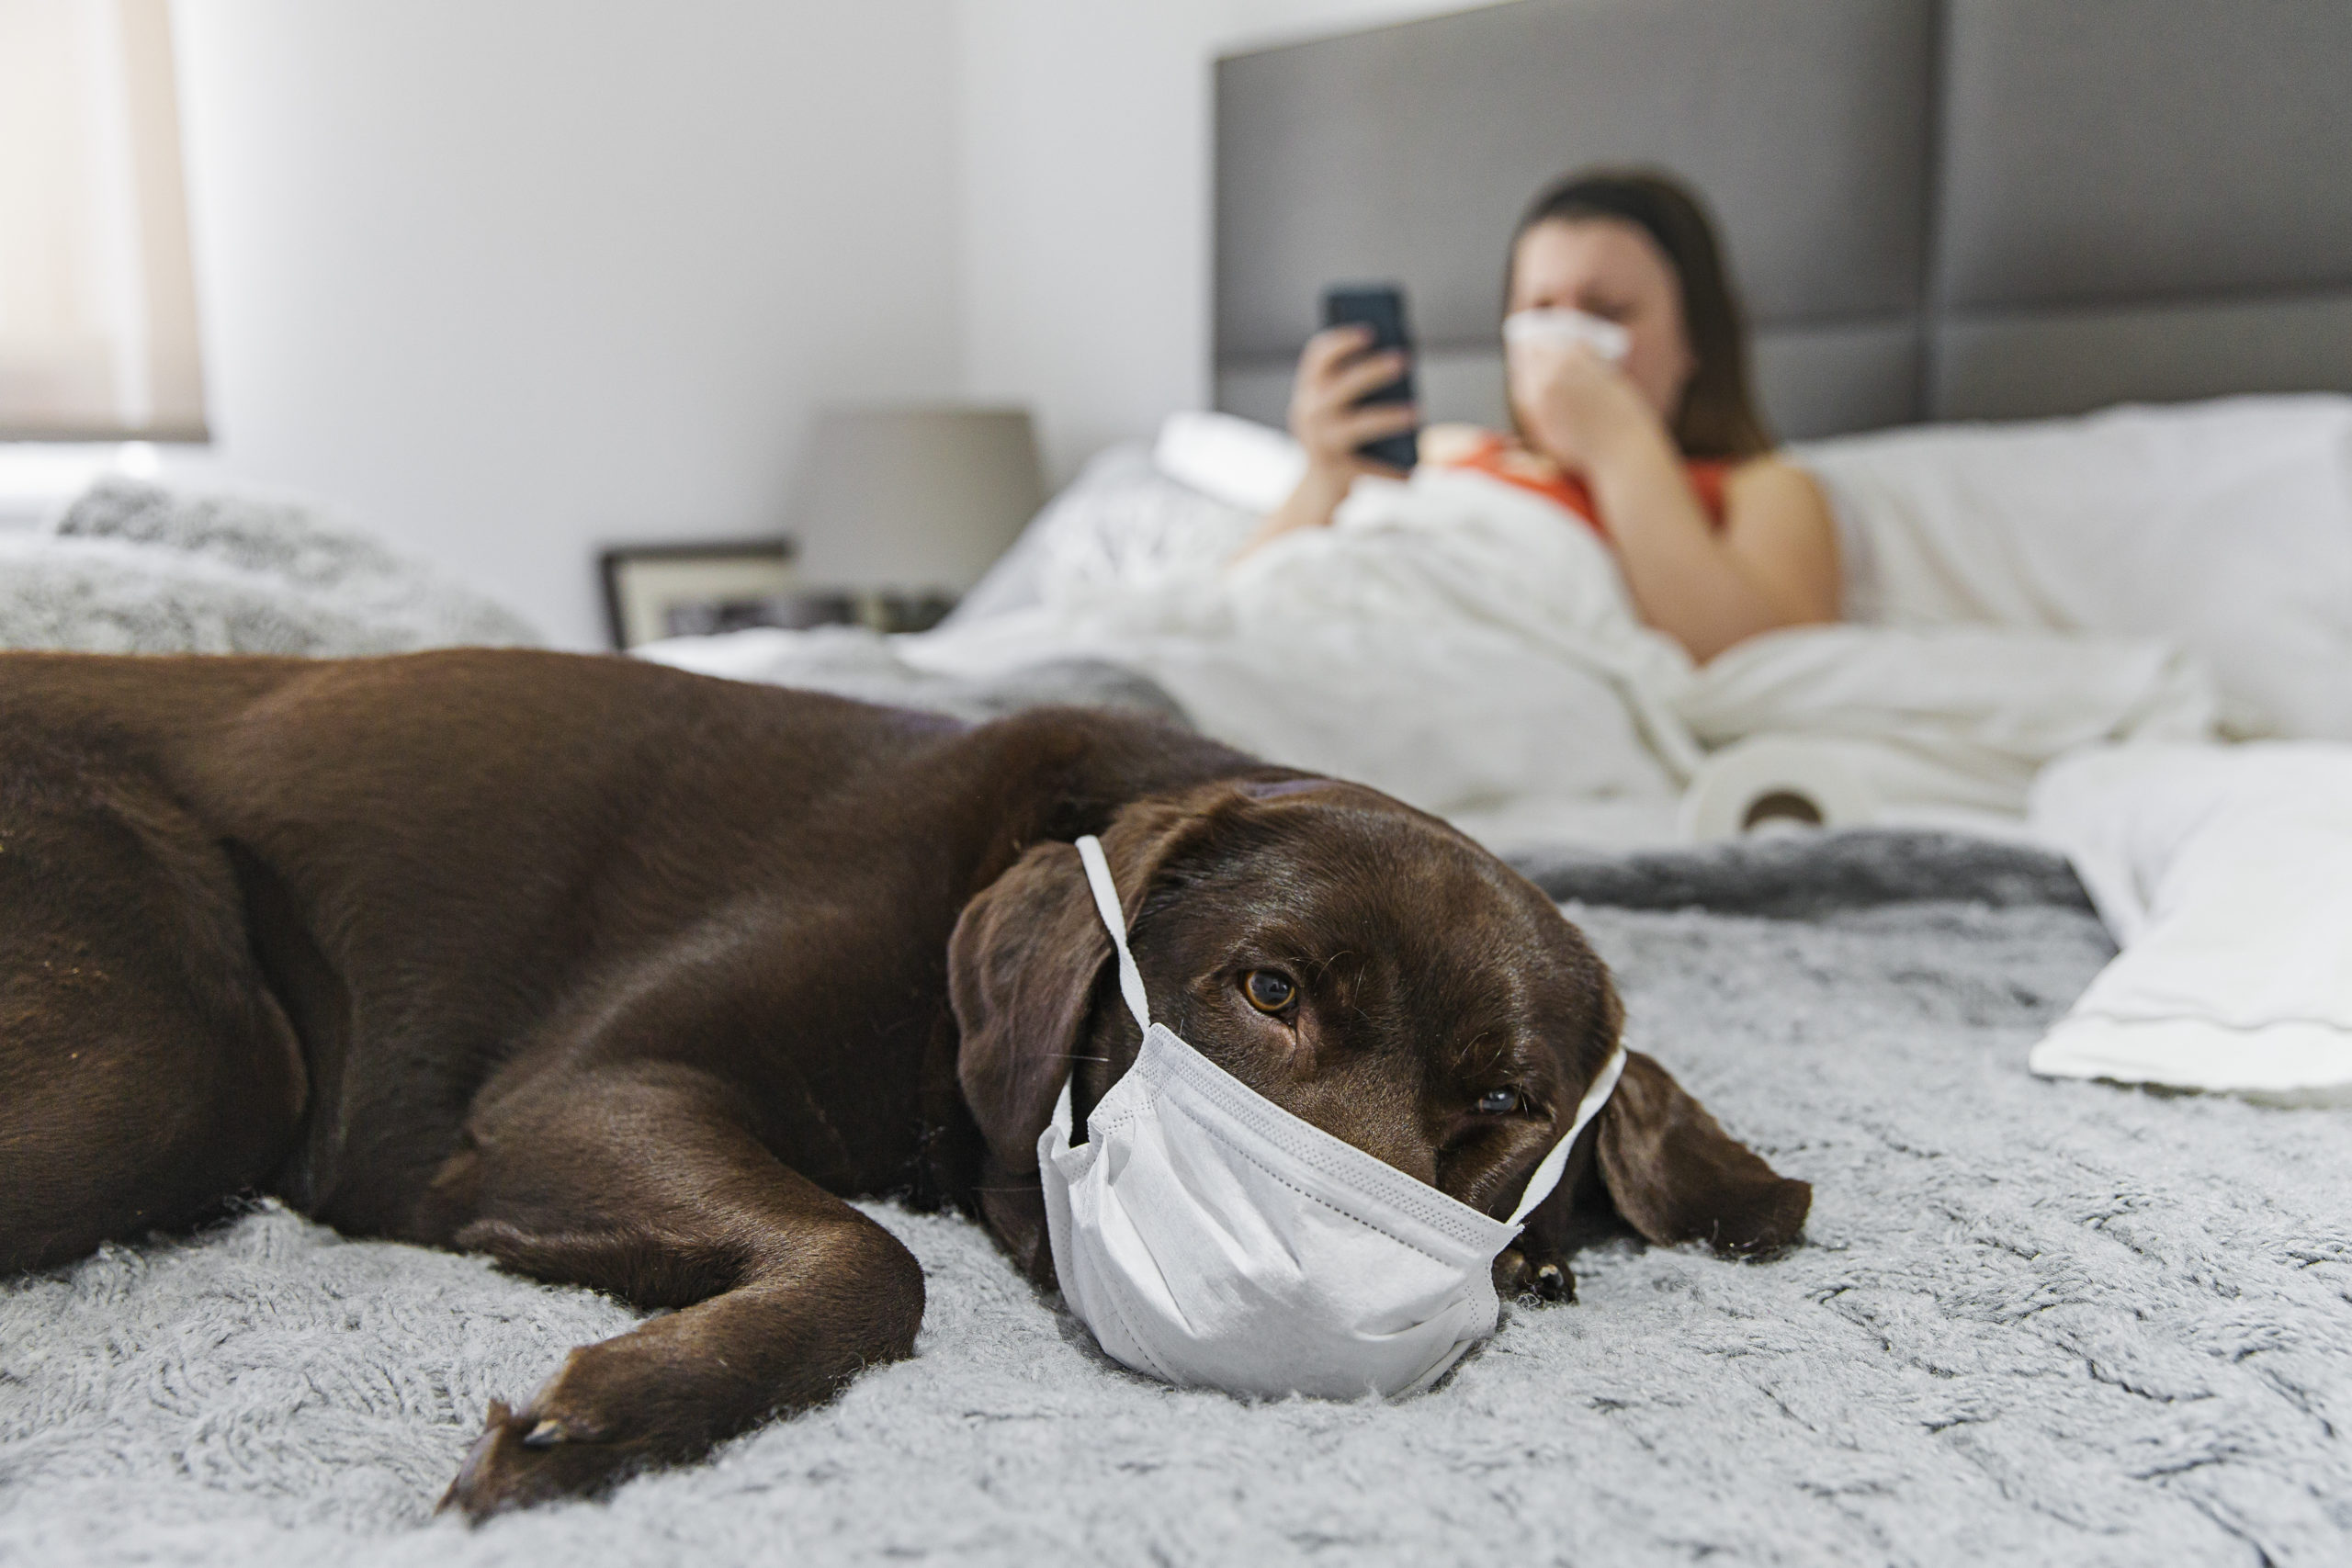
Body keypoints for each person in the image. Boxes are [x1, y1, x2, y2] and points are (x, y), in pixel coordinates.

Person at [1240, 169, 1839, 663]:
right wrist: (1322, 477)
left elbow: (1763, 668)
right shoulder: (1448, 450)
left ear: (1694, 341)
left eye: (1607, 310)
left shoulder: (1762, 487)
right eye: (1540, 306)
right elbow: (1240, 590)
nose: (1563, 336)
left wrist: (1620, 445)